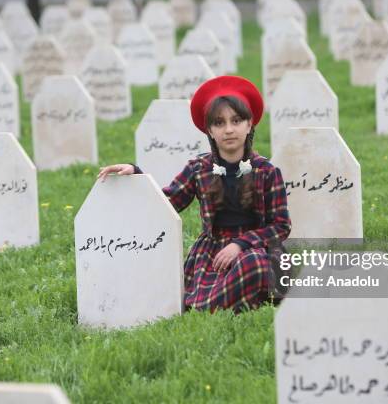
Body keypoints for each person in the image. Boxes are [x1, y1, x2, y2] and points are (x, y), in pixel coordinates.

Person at [98, 75, 291, 313]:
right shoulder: (198, 168)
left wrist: (241, 244)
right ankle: (228, 301)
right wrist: (136, 174)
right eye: (219, 123)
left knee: (255, 265)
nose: (229, 129)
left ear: (249, 124)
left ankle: (228, 301)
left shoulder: (267, 171)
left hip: (256, 249)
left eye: (236, 120)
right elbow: (167, 202)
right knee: (222, 283)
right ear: (209, 130)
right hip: (214, 251)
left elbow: (281, 226)